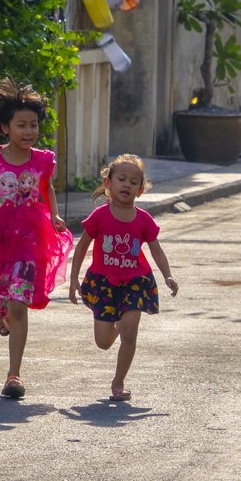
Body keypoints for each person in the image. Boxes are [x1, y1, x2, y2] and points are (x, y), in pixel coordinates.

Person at [0, 78, 73, 400]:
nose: (29, 131)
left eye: (33, 125)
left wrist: (54, 215)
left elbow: (47, 187)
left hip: (29, 237)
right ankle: (0, 314)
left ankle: (14, 374)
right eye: (21, 125)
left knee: (18, 303)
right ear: (5, 127)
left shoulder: (43, 160)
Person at [69, 155, 180, 402]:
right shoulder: (99, 216)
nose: (126, 185)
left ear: (140, 190)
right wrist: (74, 278)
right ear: (108, 183)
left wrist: (168, 276)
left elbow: (156, 250)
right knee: (103, 342)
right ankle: (117, 327)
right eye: (121, 179)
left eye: (133, 182)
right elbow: (81, 247)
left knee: (130, 333)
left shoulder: (144, 219)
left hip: (136, 282)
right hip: (103, 283)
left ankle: (118, 382)